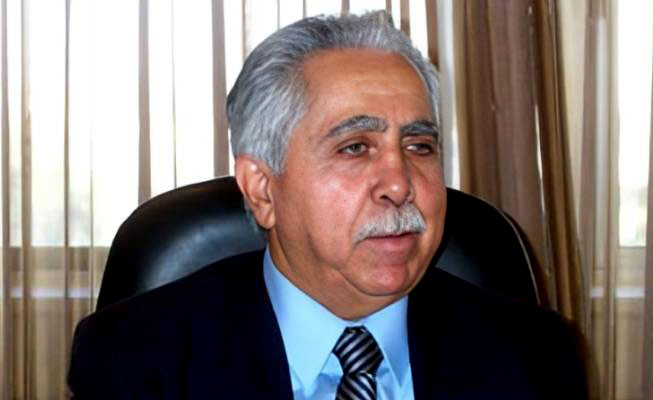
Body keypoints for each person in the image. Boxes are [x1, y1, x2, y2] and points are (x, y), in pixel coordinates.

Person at [68, 11, 587, 399]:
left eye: (419, 146)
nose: (400, 185)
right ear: (262, 189)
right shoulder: (135, 361)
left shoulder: (536, 356)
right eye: (355, 148)